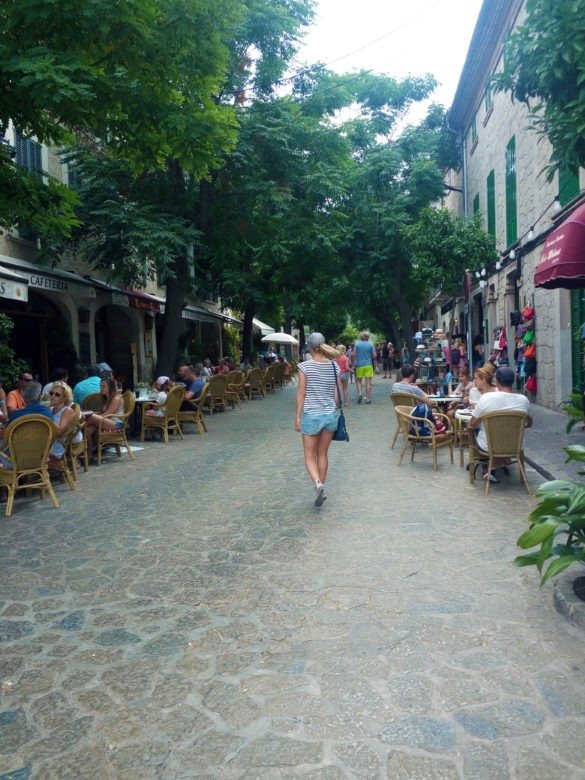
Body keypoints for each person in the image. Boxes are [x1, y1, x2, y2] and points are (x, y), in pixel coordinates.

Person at [295, 333, 341, 507]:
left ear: (309, 347)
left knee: (309, 455)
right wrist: (332, 407)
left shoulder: (304, 367)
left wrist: (297, 416)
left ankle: (317, 483)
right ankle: (321, 485)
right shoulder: (334, 367)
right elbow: (336, 395)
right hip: (330, 415)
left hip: (311, 415)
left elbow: (301, 392)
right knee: (322, 454)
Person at [469, 366, 530, 483]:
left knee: (474, 430)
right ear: (513, 381)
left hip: (489, 446)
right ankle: (500, 462)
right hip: (515, 445)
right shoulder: (524, 400)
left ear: (496, 381)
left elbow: (472, 423)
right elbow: (527, 422)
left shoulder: (486, 398)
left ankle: (490, 464)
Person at [83, 378, 124, 456]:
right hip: (107, 421)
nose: (101, 388)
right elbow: (104, 415)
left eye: (104, 386)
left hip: (117, 424)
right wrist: (96, 418)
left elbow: (107, 414)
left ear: (110, 387)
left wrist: (95, 418)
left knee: (90, 418)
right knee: (87, 430)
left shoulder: (116, 398)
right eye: (100, 386)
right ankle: (89, 455)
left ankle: (76, 428)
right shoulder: (106, 398)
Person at [47, 381, 82, 463]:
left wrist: (47, 415)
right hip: (50, 439)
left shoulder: (67, 411)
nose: (53, 396)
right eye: (51, 393)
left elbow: (60, 431)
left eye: (57, 395)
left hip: (60, 442)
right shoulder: (51, 409)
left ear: (64, 398)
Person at [352, 331, 376, 404]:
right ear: (367, 337)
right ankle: (368, 399)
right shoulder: (371, 344)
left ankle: (360, 393)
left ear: (361, 337)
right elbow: (375, 356)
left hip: (359, 365)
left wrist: (353, 362)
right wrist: (370, 356)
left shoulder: (357, 344)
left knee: (358, 381)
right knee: (368, 382)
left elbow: (353, 354)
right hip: (368, 365)